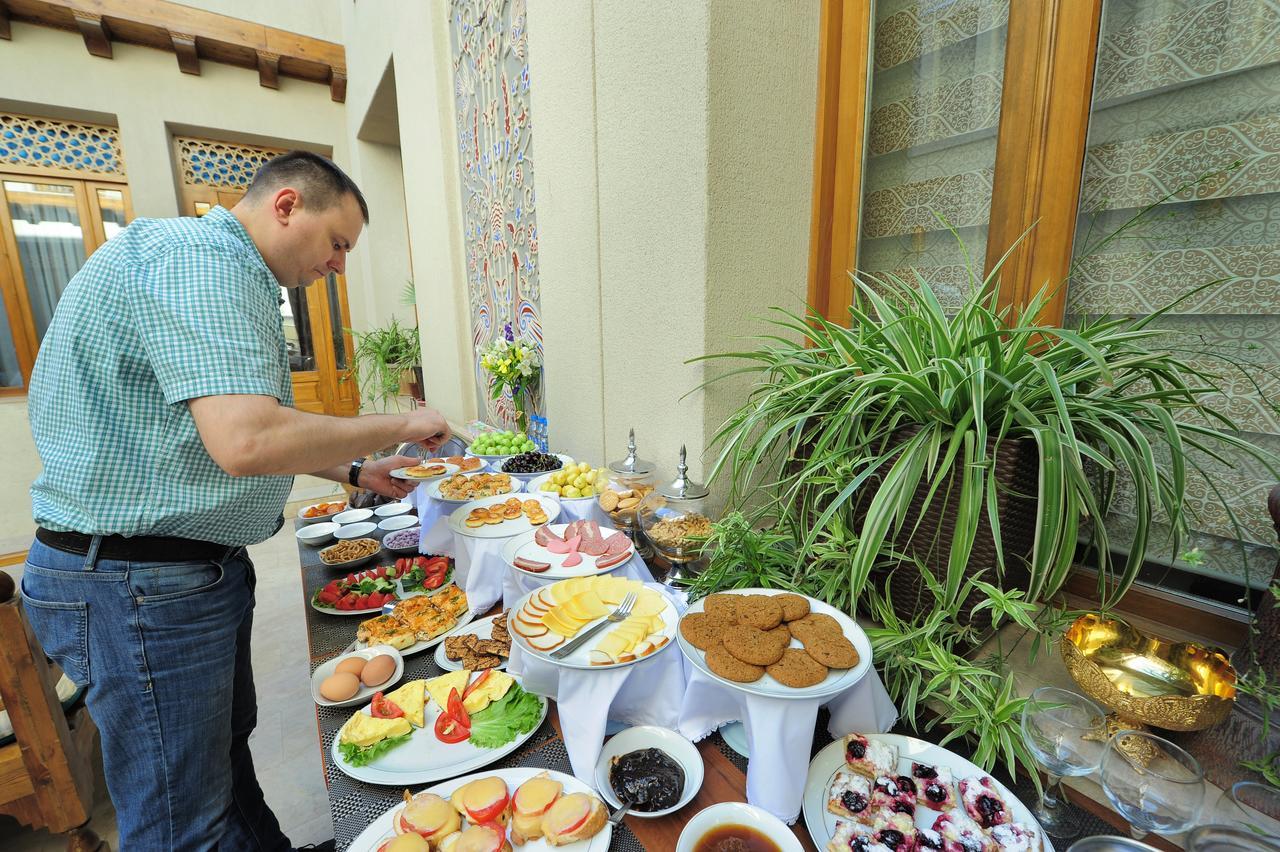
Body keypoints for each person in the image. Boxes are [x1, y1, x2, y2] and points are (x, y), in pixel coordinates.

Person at [22, 150, 449, 851]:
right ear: (287, 206)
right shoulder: (203, 263)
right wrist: (403, 422)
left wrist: (353, 469)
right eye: (338, 243)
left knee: (220, 771)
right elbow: (246, 439)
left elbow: (205, 433)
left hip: (170, 573)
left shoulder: (212, 263)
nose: (340, 265)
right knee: (180, 821)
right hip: (137, 581)